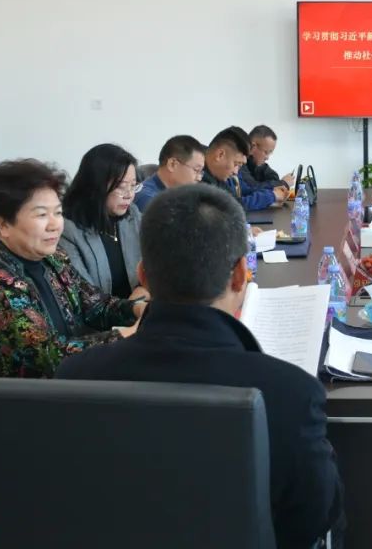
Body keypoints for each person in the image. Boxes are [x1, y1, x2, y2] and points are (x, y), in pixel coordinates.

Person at [56, 184, 343, 548]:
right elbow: (313, 519)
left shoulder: (75, 377)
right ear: (240, 274)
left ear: (143, 276)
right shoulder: (290, 392)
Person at [0, 159, 146, 437]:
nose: (55, 225)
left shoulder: (51, 259)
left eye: (58, 213)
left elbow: (94, 304)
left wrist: (138, 309)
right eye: (41, 215)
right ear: (3, 224)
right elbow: (51, 358)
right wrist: (127, 335)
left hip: (36, 400)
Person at [59, 143, 149, 300]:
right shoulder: (68, 231)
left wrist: (143, 289)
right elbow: (85, 296)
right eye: (121, 187)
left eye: (133, 186)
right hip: (104, 313)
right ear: (95, 186)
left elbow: (156, 264)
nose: (129, 195)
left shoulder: (132, 215)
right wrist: (131, 307)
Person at [202, 126, 287, 211]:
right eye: (236, 164)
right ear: (220, 155)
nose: (236, 172)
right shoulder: (200, 178)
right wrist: (271, 196)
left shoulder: (218, 175)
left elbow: (237, 199)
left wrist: (271, 192)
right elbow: (234, 206)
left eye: (240, 166)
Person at [134, 134, 206, 212]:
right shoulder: (147, 199)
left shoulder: (179, 196)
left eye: (201, 172)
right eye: (196, 170)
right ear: (172, 164)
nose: (199, 178)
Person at [243, 124, 295, 190]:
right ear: (253, 146)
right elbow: (252, 187)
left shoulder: (256, 163)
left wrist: (278, 183)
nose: (267, 158)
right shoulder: (239, 164)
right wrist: (282, 183)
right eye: (266, 152)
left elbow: (273, 176)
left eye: (270, 153)